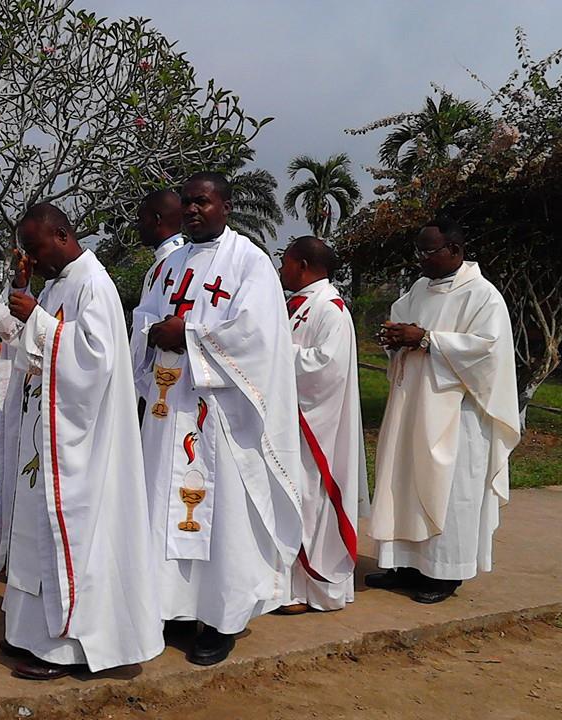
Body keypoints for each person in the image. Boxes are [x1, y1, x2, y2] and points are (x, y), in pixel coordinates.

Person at [131, 172, 303, 666]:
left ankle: (221, 618)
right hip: (169, 407)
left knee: (222, 511)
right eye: (187, 202)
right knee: (162, 501)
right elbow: (144, 317)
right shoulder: (169, 264)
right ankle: (173, 608)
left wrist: (187, 333)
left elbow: (256, 335)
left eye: (202, 202)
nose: (192, 209)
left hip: (222, 412)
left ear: (225, 206)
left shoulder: (249, 261)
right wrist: (154, 331)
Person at [0, 202, 164, 680]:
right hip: (46, 435)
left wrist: (39, 321)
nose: (32, 257)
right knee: (34, 532)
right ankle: (29, 633)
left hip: (81, 444)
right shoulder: (55, 284)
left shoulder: (94, 283)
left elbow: (95, 362)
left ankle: (64, 650)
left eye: (35, 248)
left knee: (70, 536)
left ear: (62, 236)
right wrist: (23, 293)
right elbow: (22, 343)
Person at [367, 217, 520, 604]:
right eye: (418, 251)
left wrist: (427, 339)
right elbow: (401, 324)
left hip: (457, 414)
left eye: (429, 251)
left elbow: (488, 350)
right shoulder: (419, 289)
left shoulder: (482, 296)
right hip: (410, 406)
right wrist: (394, 337)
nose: (421, 259)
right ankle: (404, 564)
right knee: (404, 482)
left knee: (451, 492)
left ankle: (445, 573)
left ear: (455, 250)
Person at [277, 236, 368, 613]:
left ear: (301, 265)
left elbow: (327, 367)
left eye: (284, 262)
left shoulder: (331, 309)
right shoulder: (295, 305)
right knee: (288, 499)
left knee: (311, 501)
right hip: (288, 422)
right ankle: (285, 585)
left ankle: (311, 589)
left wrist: (274, 354)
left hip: (316, 427)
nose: (280, 269)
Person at [132, 189, 186, 418]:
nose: (137, 226)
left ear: (156, 220)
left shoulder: (178, 262)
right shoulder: (161, 264)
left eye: (140, 219)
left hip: (171, 376)